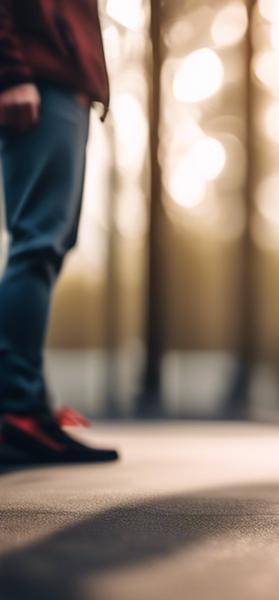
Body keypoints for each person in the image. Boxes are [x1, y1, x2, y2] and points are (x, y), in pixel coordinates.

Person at [0, 1, 118, 463]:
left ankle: (30, 412)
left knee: (47, 243)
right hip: (39, 77)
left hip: (60, 83)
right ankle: (19, 411)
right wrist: (10, 72)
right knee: (37, 245)